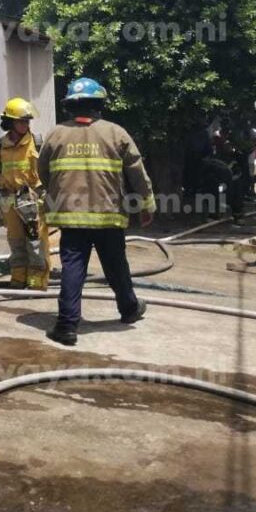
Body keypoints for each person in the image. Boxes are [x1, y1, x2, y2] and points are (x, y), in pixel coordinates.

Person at [37, 77, 155, 346]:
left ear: (70, 106)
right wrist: (146, 205)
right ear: (99, 104)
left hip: (71, 217)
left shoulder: (56, 135)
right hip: (108, 216)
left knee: (73, 268)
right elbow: (137, 172)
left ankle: (67, 326)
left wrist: (57, 193)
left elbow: (42, 171)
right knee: (116, 266)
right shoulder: (117, 133)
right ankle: (129, 309)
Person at [0, 97, 50, 290]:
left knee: (36, 243)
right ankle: (18, 279)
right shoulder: (0, 145)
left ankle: (36, 283)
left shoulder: (37, 143)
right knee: (16, 242)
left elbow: (49, 173)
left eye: (27, 121)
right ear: (10, 122)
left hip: (32, 201)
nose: (25, 124)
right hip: (8, 201)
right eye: (21, 121)